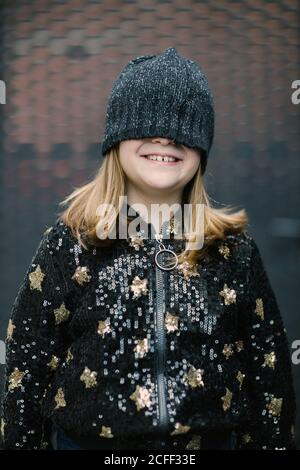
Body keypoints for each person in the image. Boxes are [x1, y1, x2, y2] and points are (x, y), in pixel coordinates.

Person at [1, 47, 296, 450]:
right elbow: (28, 367)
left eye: (183, 129)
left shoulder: (232, 251)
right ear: (116, 141)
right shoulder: (68, 244)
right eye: (147, 124)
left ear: (200, 151)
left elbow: (268, 369)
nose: (165, 137)